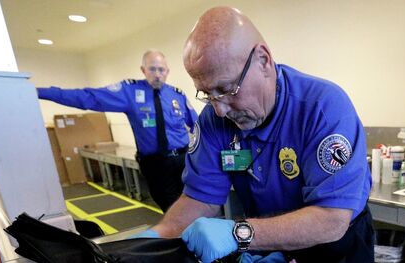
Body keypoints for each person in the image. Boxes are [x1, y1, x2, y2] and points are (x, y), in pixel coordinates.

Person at [146, 7, 374, 263]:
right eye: (207, 94)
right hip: (266, 236)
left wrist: (239, 234)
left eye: (226, 89)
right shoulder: (213, 119)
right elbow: (199, 198)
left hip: (335, 245)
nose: (219, 110)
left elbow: (332, 219)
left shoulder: (323, 107)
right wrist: (152, 241)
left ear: (263, 61)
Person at [37, 50, 198, 212]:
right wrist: (41, 92)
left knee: (192, 203)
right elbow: (88, 97)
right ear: (143, 70)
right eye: (152, 69)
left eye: (161, 70)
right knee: (171, 209)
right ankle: (182, 234)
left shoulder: (177, 95)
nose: (157, 74)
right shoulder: (130, 92)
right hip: (156, 164)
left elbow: (197, 125)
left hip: (183, 160)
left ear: (167, 71)